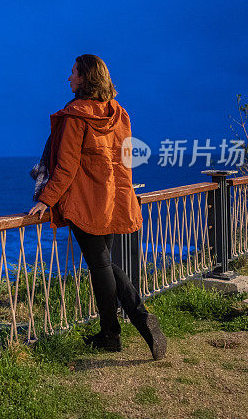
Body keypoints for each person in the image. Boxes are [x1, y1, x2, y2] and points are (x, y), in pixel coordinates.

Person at [28, 54, 166, 360]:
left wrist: (45, 200)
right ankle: (115, 331)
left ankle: (129, 323)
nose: (69, 78)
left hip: (87, 202)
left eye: (73, 73)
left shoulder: (75, 116)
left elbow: (66, 167)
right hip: (114, 198)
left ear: (85, 78)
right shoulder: (119, 113)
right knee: (104, 262)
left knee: (101, 265)